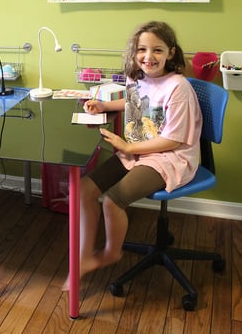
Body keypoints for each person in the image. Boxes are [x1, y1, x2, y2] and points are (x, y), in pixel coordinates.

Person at [63, 21, 202, 290]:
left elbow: (173, 139)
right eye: (142, 49)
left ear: (171, 53)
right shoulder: (138, 78)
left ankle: (110, 253)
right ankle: (83, 255)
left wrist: (127, 148)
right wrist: (103, 104)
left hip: (170, 156)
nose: (148, 57)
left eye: (157, 50)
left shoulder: (178, 88)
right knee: (83, 191)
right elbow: (132, 102)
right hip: (140, 150)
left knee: (112, 201)